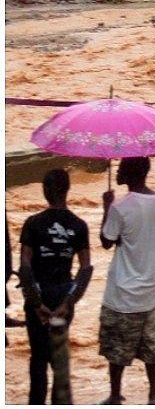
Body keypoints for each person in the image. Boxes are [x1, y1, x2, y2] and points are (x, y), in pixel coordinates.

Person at [18, 169, 94, 405]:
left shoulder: (32, 223)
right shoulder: (79, 225)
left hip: (37, 295)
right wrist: (67, 304)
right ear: (68, 190)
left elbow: (25, 267)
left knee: (38, 359)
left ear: (44, 191)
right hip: (64, 295)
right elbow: (85, 268)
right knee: (59, 358)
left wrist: (36, 303)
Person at [99, 157, 155, 406]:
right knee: (151, 349)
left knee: (116, 350)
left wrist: (106, 207)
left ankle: (116, 395)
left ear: (128, 173)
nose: (117, 171)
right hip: (149, 289)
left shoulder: (121, 207)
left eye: (120, 168)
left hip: (122, 292)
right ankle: (154, 395)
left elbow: (107, 240)